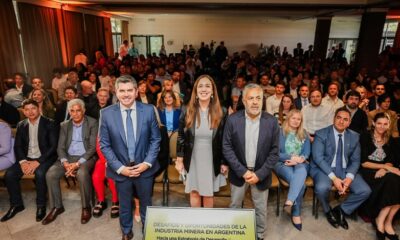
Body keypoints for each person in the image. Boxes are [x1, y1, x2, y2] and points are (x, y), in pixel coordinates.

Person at [99, 75, 161, 240]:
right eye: (122, 91)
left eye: (129, 90)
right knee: (125, 205)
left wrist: (147, 163)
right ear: (116, 92)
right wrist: (120, 168)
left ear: (136, 92)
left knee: (146, 204)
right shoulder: (106, 114)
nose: (126, 94)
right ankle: (126, 231)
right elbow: (104, 145)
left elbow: (155, 139)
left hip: (144, 168)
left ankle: (148, 232)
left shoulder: (148, 110)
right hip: (121, 170)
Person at [223, 83, 279, 240]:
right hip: (239, 171)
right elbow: (226, 147)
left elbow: (274, 153)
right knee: (235, 205)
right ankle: (234, 233)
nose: (255, 102)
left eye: (258, 98)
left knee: (260, 208)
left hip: (261, 173)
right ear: (244, 100)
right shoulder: (233, 120)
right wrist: (243, 171)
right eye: (251, 98)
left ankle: (259, 234)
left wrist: (259, 174)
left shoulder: (272, 122)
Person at [310, 107, 371, 230]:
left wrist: (349, 178)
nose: (341, 121)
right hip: (324, 168)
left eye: (345, 119)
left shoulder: (354, 136)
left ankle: (341, 210)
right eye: (338, 118)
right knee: (322, 188)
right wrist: (334, 178)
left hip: (345, 168)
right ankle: (328, 211)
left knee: (365, 191)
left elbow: (355, 160)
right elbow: (318, 158)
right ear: (334, 119)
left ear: (349, 122)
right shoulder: (321, 133)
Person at [176, 75, 228, 208]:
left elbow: (224, 140)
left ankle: (207, 225)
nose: (204, 89)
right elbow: (181, 136)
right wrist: (179, 159)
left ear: (213, 91)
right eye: (200, 86)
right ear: (195, 91)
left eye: (207, 86)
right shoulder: (186, 110)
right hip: (193, 157)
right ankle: (197, 224)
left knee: (208, 193)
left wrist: (224, 162)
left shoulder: (222, 111)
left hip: (212, 158)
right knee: (194, 192)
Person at [1, 99, 58, 222]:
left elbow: (53, 147)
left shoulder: (50, 123)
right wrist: (22, 162)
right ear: (24, 112)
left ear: (38, 109)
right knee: (10, 174)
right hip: (27, 158)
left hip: (45, 157)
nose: (30, 112)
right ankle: (17, 205)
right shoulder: (21, 124)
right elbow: (18, 146)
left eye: (33, 108)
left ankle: (41, 205)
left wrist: (38, 161)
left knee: (40, 173)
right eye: (27, 109)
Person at [43, 99, 98, 225]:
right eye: (72, 111)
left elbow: (92, 148)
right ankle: (57, 207)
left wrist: (78, 163)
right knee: (50, 173)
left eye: (78, 110)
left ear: (83, 111)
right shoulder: (64, 125)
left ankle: (86, 207)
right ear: (69, 112)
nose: (75, 114)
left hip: (86, 158)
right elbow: (60, 147)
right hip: (68, 157)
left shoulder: (92, 122)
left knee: (82, 173)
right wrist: (65, 162)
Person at [359, 112, 400, 240]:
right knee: (392, 179)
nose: (382, 127)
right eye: (379, 123)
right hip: (368, 171)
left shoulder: (390, 139)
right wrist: (385, 167)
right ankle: (382, 221)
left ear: (389, 125)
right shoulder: (365, 136)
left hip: (383, 171)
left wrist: (386, 167)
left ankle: (385, 221)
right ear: (373, 123)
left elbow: (391, 159)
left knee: (394, 179)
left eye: (385, 124)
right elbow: (364, 162)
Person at [274, 109, 310, 231]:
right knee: (301, 185)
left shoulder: (304, 133)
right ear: (288, 118)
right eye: (293, 118)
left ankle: (290, 201)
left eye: (298, 119)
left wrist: (299, 159)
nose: (296, 121)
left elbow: (307, 152)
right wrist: (291, 157)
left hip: (300, 164)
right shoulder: (280, 132)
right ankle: (296, 213)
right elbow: (276, 153)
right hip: (283, 163)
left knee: (300, 173)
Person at [92, 137, 119, 219]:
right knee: (96, 177)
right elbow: (98, 146)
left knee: (112, 177)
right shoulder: (102, 126)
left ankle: (115, 201)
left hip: (117, 160)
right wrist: (105, 161)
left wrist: (111, 162)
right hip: (103, 159)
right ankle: (101, 200)